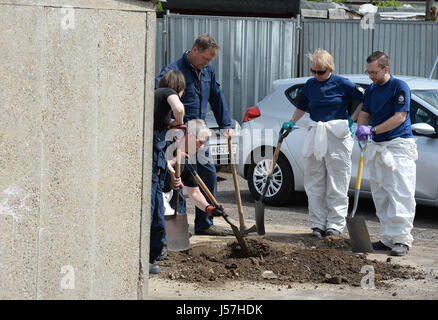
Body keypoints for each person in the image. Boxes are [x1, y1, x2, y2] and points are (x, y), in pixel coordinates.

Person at [155, 33, 234, 236]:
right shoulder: (174, 71)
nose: (207, 63)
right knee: (178, 178)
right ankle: (178, 226)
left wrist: (226, 124)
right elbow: (159, 98)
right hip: (177, 131)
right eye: (205, 58)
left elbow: (216, 97)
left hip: (199, 131)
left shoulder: (208, 70)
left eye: (210, 60)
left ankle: (205, 222)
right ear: (195, 50)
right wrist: (172, 126)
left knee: (207, 174)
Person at [282, 49, 365, 238]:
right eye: (314, 71)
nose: (317, 76)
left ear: (330, 69)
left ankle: (335, 224)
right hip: (316, 133)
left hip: (337, 134)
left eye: (321, 72)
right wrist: (292, 122)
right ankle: (317, 224)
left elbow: (363, 98)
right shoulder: (310, 85)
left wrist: (353, 119)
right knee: (314, 181)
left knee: (337, 181)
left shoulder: (342, 83)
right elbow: (302, 106)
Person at [355, 51, 417, 257]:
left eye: (374, 72)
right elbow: (365, 113)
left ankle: (402, 240)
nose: (370, 76)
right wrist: (360, 128)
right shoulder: (371, 90)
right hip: (378, 146)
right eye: (368, 72)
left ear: (385, 68)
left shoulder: (400, 87)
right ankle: (388, 237)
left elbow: (399, 117)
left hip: (398, 146)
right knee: (380, 194)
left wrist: (372, 130)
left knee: (400, 193)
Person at [150, 70, 185, 275]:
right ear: (179, 88)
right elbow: (179, 108)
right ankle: (148, 257)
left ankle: (155, 252)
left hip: (157, 162)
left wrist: (172, 172)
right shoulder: (167, 92)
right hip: (153, 162)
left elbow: (160, 151)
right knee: (153, 210)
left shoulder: (157, 100)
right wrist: (178, 120)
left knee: (155, 210)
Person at [164, 119, 227, 226]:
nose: (202, 147)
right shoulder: (165, 142)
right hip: (151, 195)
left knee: (177, 234)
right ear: (191, 136)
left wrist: (209, 208)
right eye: (201, 142)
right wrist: (175, 160)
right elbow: (152, 166)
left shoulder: (189, 158)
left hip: (166, 197)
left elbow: (194, 192)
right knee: (169, 224)